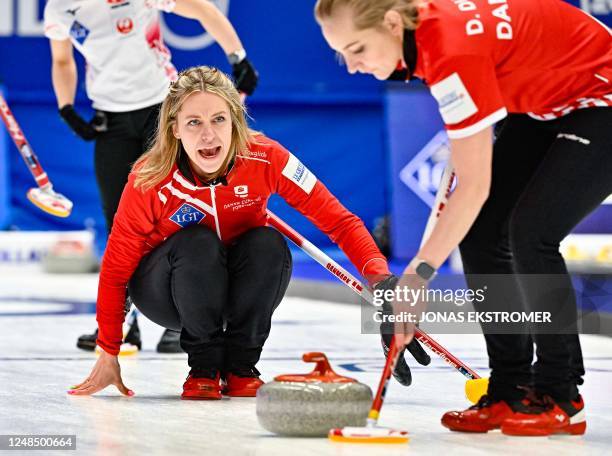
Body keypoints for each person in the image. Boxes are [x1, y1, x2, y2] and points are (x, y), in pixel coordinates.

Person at [315, 0, 611, 436]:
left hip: (600, 97)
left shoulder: (450, 49)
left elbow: (473, 186)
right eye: (342, 54)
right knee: (480, 233)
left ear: (394, 24)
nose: (353, 66)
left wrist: (416, 277)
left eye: (357, 49)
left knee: (531, 231)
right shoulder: (426, 35)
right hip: (547, 100)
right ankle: (511, 388)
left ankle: (561, 394)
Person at [67, 65, 401, 399]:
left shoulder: (266, 158)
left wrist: (383, 285)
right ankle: (204, 368)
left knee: (269, 243)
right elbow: (115, 269)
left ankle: (241, 367)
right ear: (176, 129)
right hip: (167, 296)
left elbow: (339, 221)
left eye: (218, 119)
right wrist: (108, 351)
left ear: (235, 121)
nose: (208, 135)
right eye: (194, 122)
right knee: (197, 242)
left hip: (232, 287)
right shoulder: (150, 177)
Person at [43, 0, 259, 353]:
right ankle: (123, 324)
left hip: (161, 110)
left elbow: (203, 10)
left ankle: (189, 317)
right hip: (111, 120)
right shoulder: (59, 7)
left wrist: (239, 57)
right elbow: (62, 60)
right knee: (119, 223)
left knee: (180, 215)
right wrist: (66, 107)